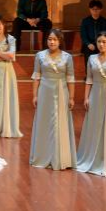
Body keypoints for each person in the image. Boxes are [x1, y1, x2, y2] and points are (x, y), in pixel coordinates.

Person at [76, 32, 106, 178]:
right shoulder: (91, 58)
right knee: (94, 125)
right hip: (95, 96)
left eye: (104, 42)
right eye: (99, 41)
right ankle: (92, 157)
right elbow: (89, 79)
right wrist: (86, 98)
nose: (101, 44)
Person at [29, 29, 76, 171]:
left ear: (60, 41)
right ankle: (43, 155)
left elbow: (70, 79)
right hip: (44, 91)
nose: (52, 42)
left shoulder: (67, 57)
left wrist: (71, 97)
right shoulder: (39, 56)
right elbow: (36, 76)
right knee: (44, 122)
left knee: (60, 123)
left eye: (55, 39)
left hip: (62, 91)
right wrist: (35, 95)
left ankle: (60, 157)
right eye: (49, 39)